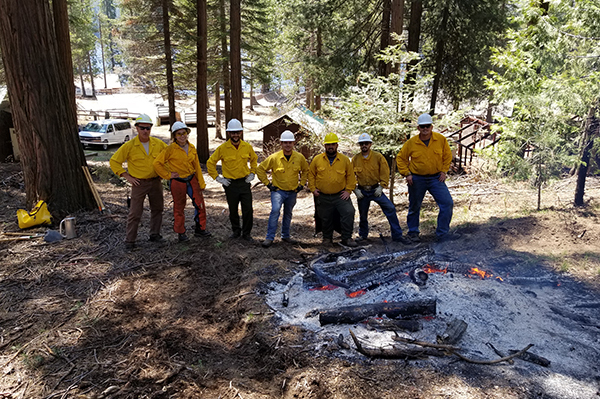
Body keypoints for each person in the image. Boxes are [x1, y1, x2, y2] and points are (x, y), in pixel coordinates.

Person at [110, 114, 168, 250]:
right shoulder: (130, 146)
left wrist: (164, 174)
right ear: (137, 128)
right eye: (142, 128)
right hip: (138, 184)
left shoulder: (158, 144)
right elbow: (114, 161)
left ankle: (155, 234)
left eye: (148, 128)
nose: (145, 131)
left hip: (155, 182)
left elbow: (170, 157)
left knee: (158, 209)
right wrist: (126, 176)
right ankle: (130, 241)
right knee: (135, 212)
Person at [396, 113, 456, 242]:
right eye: (422, 126)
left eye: (427, 126)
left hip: (436, 178)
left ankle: (442, 233)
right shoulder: (411, 143)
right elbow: (401, 158)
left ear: (431, 127)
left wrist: (444, 171)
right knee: (414, 207)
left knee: (447, 203)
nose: (425, 129)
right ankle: (413, 232)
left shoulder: (440, 139)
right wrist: (407, 174)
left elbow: (447, 156)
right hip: (417, 179)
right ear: (418, 128)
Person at [154, 121, 211, 242]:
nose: (182, 136)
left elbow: (197, 166)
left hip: (192, 179)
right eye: (179, 134)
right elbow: (157, 163)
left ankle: (200, 229)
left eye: (184, 133)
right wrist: (168, 175)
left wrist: (201, 183)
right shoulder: (170, 149)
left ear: (187, 133)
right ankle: (181, 233)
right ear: (174, 136)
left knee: (200, 204)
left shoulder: (191, 148)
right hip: (178, 182)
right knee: (179, 208)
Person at [352, 133, 411, 245]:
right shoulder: (355, 159)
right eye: (362, 144)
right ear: (360, 145)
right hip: (362, 191)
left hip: (376, 190)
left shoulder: (378, 157)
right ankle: (363, 235)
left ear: (370, 144)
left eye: (366, 143)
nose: (364, 145)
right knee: (363, 214)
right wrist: (355, 189)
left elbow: (385, 171)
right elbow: (350, 175)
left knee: (390, 208)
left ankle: (397, 235)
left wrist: (382, 186)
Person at [207, 118, 258, 240]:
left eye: (237, 132)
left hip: (244, 183)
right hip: (230, 184)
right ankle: (236, 231)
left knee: (248, 210)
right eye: (233, 132)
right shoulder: (223, 148)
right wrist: (218, 178)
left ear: (241, 132)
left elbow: (254, 159)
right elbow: (210, 163)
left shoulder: (247, 147)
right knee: (233, 209)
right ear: (229, 133)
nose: (235, 135)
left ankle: (246, 233)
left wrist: (252, 173)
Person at [257, 130, 309, 248]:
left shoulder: (299, 157)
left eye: (290, 142)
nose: (287, 145)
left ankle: (285, 236)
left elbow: (306, 171)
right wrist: (268, 184)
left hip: (292, 192)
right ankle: (269, 238)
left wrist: (301, 184)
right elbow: (260, 169)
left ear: (293, 143)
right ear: (281, 143)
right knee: (275, 211)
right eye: (285, 142)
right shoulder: (274, 158)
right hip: (278, 191)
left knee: (288, 213)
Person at [308, 133, 357, 247]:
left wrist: (348, 190)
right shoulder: (317, 159)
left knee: (349, 212)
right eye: (328, 144)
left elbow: (351, 177)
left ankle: (347, 238)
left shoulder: (344, 160)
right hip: (323, 195)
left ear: (337, 145)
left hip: (340, 195)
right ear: (325, 146)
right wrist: (313, 189)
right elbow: (311, 175)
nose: (331, 147)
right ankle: (327, 238)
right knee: (325, 217)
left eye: (333, 144)